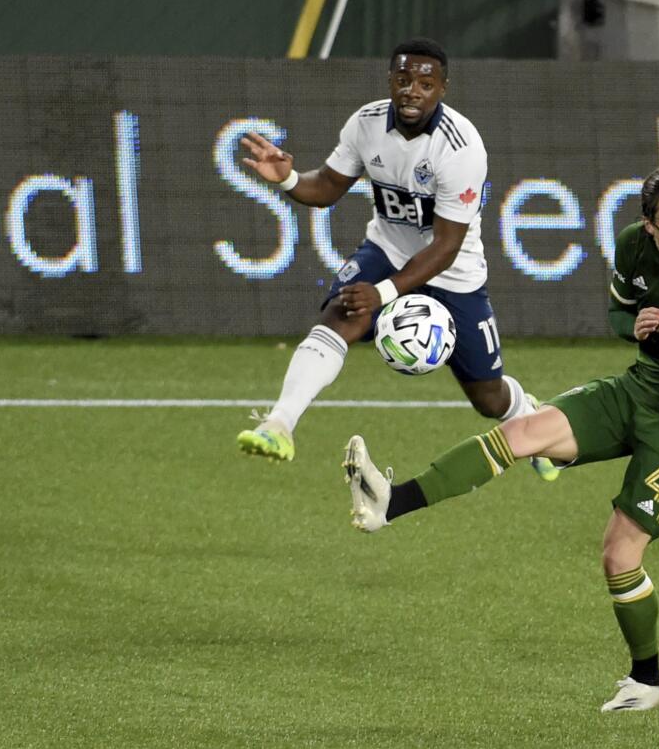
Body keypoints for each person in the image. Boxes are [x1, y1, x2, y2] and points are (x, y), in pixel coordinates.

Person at [343, 166, 659, 712]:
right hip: (639, 388)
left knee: (619, 555)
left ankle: (648, 681)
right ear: (649, 226)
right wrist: (630, 328)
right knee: (521, 431)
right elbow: (615, 312)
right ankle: (393, 503)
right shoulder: (633, 247)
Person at [235, 37, 555, 481]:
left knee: (487, 398)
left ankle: (527, 413)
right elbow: (327, 185)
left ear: (443, 88)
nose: (412, 90)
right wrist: (287, 177)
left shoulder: (461, 149)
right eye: (403, 79)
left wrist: (383, 293)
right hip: (387, 250)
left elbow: (445, 247)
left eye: (426, 82)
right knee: (340, 314)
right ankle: (279, 424)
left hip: (452, 270)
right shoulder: (365, 123)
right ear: (391, 80)